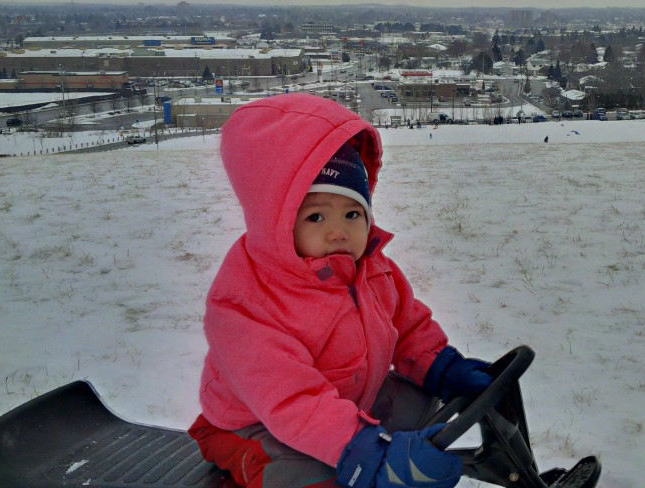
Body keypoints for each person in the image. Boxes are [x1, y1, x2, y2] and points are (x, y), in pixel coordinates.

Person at [189, 93, 492, 488]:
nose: (339, 231)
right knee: (316, 475)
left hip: (347, 399)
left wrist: (440, 365)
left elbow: (407, 323)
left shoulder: (370, 268)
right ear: (276, 223)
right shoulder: (246, 302)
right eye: (316, 216)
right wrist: (357, 446)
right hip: (254, 424)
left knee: (425, 406)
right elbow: (293, 400)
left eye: (352, 214)